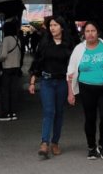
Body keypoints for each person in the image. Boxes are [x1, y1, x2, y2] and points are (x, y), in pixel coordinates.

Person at [67, 21, 103, 160]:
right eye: (87, 31)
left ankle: (102, 145)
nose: (90, 34)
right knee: (90, 118)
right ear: (83, 34)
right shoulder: (79, 49)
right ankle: (91, 147)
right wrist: (70, 92)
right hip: (86, 88)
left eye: (93, 31)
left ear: (98, 32)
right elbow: (71, 71)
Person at [29, 16, 74, 158]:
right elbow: (37, 62)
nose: (52, 28)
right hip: (46, 82)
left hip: (62, 83)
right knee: (49, 111)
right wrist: (32, 81)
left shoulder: (69, 44)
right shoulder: (44, 43)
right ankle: (44, 143)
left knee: (59, 113)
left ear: (61, 27)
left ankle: (55, 142)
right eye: (51, 25)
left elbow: (73, 66)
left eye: (55, 25)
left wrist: (73, 88)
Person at [0, 21, 23, 121]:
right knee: (13, 91)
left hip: (7, 68)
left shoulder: (6, 39)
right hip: (16, 68)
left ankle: (5, 113)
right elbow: (20, 54)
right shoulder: (17, 39)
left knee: (5, 91)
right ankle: (13, 113)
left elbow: (3, 55)